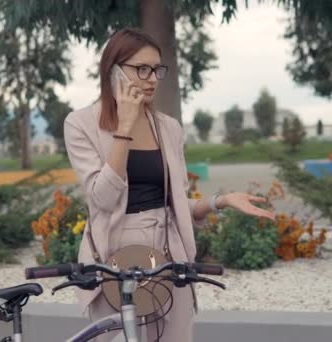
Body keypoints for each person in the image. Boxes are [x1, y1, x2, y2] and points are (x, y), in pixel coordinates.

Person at [64, 28, 275, 342]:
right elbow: (103, 199)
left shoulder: (169, 128)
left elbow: (174, 204)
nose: (152, 78)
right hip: (114, 258)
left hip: (169, 252)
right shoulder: (81, 124)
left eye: (157, 69)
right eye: (142, 69)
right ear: (114, 71)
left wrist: (221, 201)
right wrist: (124, 127)